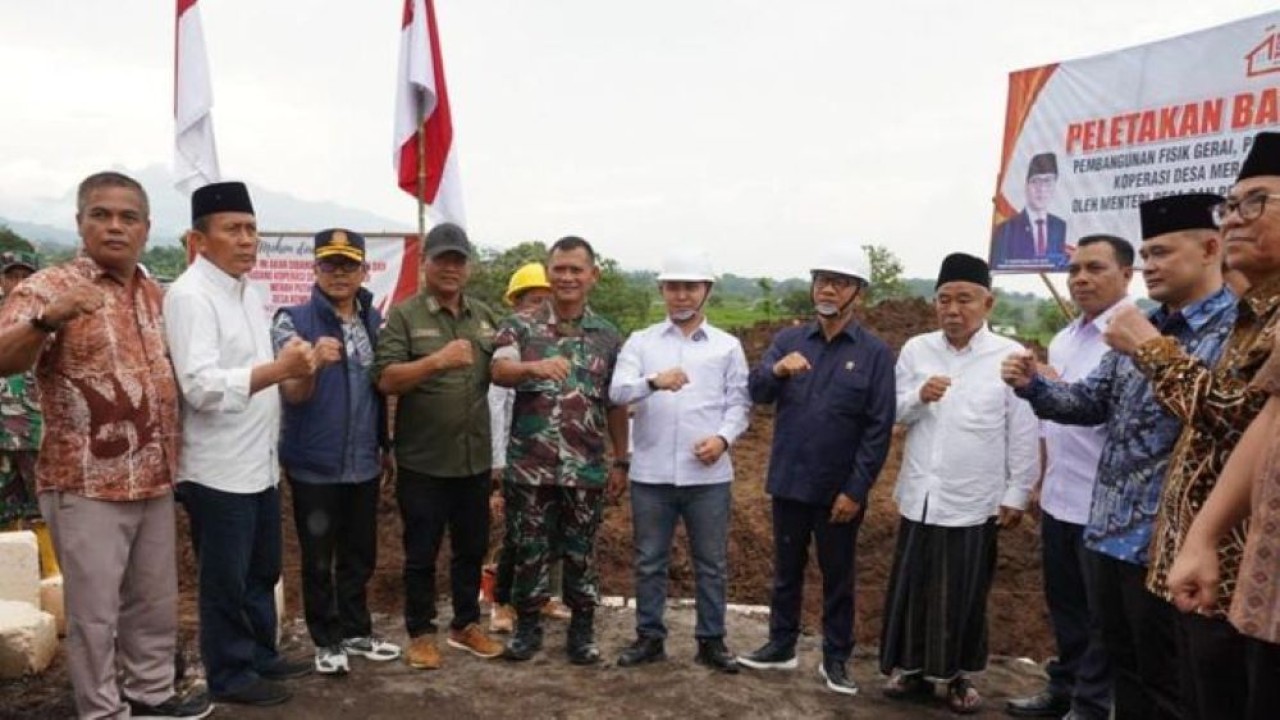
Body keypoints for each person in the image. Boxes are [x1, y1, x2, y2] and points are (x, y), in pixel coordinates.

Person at [1006, 196, 1233, 720]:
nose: (1151, 265)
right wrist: (1033, 385)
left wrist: (1152, 350)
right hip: (1107, 533)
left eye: (1162, 253)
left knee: (1172, 686)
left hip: (1170, 544)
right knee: (1128, 674)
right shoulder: (1141, 326)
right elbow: (1088, 402)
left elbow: (1222, 419)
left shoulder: (1230, 331)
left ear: (1209, 249)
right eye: (1147, 253)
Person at [0, 171, 210, 719]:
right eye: (102, 214)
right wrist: (48, 321)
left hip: (155, 478)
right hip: (86, 484)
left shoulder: (156, 294)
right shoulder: (48, 288)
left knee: (154, 602)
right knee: (95, 614)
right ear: (80, 222)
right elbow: (4, 357)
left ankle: (151, 693)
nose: (115, 226)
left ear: (146, 227)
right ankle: (102, 710)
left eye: (128, 216)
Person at [1104, 133, 1280, 719]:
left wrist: (1153, 351)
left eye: (1255, 202)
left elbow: (1236, 416)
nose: (1235, 220)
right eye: (1230, 206)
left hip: (1239, 578)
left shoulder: (1223, 321)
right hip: (1186, 560)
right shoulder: (1249, 317)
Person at [165, 181, 317, 707]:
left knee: (262, 568)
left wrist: (292, 362)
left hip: (258, 462)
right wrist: (281, 368)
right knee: (225, 579)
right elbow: (201, 386)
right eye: (233, 229)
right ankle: (229, 674)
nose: (247, 240)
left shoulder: (247, 291)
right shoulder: (190, 296)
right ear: (199, 239)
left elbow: (259, 371)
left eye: (252, 229)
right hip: (215, 469)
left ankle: (258, 653)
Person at [881, 252, 1038, 715]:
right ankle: (910, 669)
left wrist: (1017, 492)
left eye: (964, 299)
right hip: (920, 495)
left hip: (974, 498)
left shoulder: (1010, 356)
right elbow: (891, 413)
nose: (953, 309)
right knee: (913, 586)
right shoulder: (916, 350)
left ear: (987, 303)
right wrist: (918, 396)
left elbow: (1023, 432)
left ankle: (956, 677)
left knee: (964, 593)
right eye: (944, 300)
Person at [737, 247, 896, 695]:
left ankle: (836, 658)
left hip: (837, 491)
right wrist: (776, 370)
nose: (828, 288)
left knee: (837, 575)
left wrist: (857, 489)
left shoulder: (875, 354)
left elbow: (878, 427)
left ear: (858, 295)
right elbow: (758, 392)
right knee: (785, 570)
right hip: (789, 480)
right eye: (822, 279)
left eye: (840, 282)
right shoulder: (789, 343)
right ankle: (781, 645)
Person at [1004, 235, 1133, 720]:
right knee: (1066, 606)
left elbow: (1111, 414)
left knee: (1104, 618)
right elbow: (1048, 419)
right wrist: (1039, 479)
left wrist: (1053, 388)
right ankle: (1065, 688)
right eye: (1075, 269)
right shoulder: (1066, 337)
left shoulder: (1134, 337)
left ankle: (1091, 705)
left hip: (1105, 504)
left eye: (1095, 268)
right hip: (1060, 496)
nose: (1081, 278)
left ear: (1127, 274)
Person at [609, 248, 751, 675]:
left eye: (690, 287)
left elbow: (739, 404)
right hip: (651, 474)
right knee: (649, 559)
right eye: (673, 287)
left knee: (711, 563)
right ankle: (649, 637)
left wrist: (723, 440)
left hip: (707, 476)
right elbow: (617, 393)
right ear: (662, 291)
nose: (682, 295)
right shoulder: (642, 342)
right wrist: (654, 381)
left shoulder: (727, 347)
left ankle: (711, 640)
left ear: (705, 291)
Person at [490, 236, 629, 665]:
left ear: (593, 275)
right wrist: (533, 367)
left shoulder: (608, 336)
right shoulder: (521, 326)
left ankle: (582, 632)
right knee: (528, 548)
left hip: (585, 466)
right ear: (549, 273)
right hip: (530, 465)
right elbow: (499, 369)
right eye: (560, 269)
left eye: (576, 269)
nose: (567, 277)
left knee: (581, 553)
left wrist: (621, 459)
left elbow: (616, 403)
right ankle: (527, 628)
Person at [373, 222, 504, 668]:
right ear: (426, 263)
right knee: (422, 552)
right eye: (442, 259)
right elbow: (387, 379)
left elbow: (502, 371)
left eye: (458, 260)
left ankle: (466, 625)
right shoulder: (407, 316)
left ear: (468, 267)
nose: (450, 267)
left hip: (474, 459)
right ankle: (421, 632)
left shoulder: (484, 317)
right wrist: (435, 361)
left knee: (471, 548)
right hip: (424, 462)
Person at [271, 229, 400, 675]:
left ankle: (356, 631)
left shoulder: (373, 322)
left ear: (365, 271)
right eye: (330, 265)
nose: (339, 274)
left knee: (359, 553)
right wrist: (311, 367)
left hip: (363, 460)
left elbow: (380, 391)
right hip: (314, 463)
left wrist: (386, 447)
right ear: (315, 269)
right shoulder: (292, 320)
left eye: (349, 265)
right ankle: (326, 639)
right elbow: (292, 395)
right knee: (317, 556)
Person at [1167, 333, 1280, 717]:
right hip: (1270, 587)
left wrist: (1152, 351)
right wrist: (1204, 536)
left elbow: (1236, 416)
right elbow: (1271, 417)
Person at [487, 262, 565, 634]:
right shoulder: (509, 343)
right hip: (518, 458)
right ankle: (502, 602)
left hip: (554, 457)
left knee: (552, 531)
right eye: (533, 301)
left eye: (546, 301)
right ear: (516, 303)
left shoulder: (556, 339)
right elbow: (496, 407)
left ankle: (541, 596)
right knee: (518, 535)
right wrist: (498, 468)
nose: (540, 309)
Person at [0, 251, 42, 529]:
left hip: (36, 430)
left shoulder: (47, 319)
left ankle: (51, 570)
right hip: (1, 431)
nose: (18, 283)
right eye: (11, 276)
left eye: (25, 277)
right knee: (5, 506)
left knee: (42, 506)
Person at [992, 152, 1069, 269]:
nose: (1041, 189)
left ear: (1055, 185)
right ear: (1026, 185)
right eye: (1035, 181)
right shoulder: (1006, 230)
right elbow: (998, 264)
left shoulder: (1059, 226)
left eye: (1047, 181)